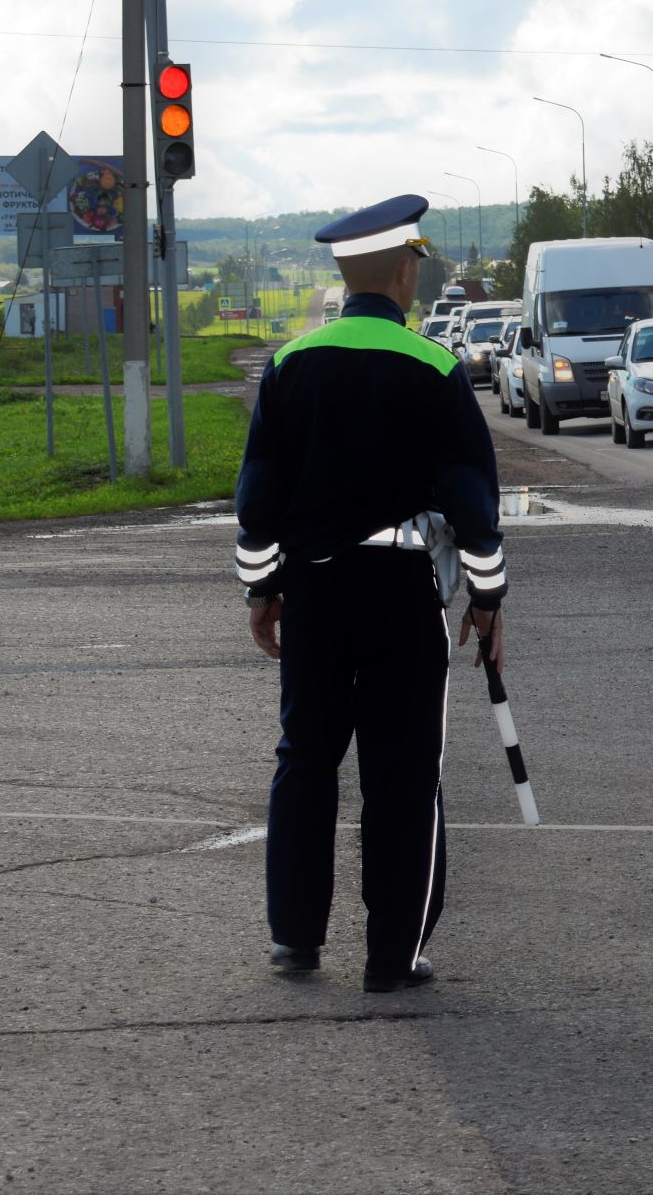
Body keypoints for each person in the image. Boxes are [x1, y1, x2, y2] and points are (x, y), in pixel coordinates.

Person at [234, 194, 507, 993]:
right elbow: (474, 507)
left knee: (306, 759)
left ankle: (295, 939)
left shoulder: (291, 364)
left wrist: (262, 589)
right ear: (400, 271)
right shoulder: (433, 368)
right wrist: (486, 601)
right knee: (402, 771)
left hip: (314, 592)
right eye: (416, 264)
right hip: (399, 590)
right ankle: (394, 956)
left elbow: (257, 500)